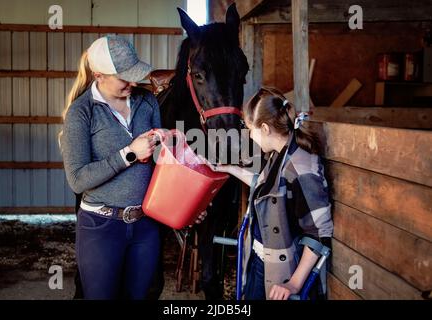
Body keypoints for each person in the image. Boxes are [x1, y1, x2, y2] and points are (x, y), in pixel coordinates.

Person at [60, 35, 206, 299]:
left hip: (145, 225)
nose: (132, 83)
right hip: (101, 226)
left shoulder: (146, 102)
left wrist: (186, 205)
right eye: (123, 78)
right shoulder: (81, 113)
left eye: (134, 75)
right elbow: (78, 180)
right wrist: (128, 153)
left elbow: (160, 170)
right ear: (98, 75)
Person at [204, 87, 333, 300]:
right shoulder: (278, 156)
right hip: (259, 260)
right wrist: (229, 169)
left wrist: (293, 284)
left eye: (250, 130)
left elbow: (318, 232)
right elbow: (264, 188)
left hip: (281, 272)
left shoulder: (302, 168)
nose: (250, 137)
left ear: (264, 128)